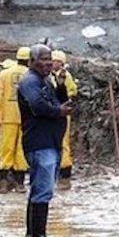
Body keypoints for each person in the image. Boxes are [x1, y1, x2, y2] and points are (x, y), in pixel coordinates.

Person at [17, 44, 72, 237]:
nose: (48, 63)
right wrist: (59, 112)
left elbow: (60, 102)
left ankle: (33, 234)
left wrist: (61, 86)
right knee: (43, 189)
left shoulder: (45, 81)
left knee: (39, 188)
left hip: (50, 141)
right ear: (31, 61)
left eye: (50, 59)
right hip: (40, 142)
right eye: (43, 59)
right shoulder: (30, 81)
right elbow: (38, 106)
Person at [0, 47, 30, 192]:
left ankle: (3, 182)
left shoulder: (4, 74)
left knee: (6, 149)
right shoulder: (31, 74)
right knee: (21, 150)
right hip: (26, 118)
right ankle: (20, 184)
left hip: (8, 117)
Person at [50, 50, 80, 188]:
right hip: (52, 112)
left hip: (62, 112)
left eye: (56, 61)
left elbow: (73, 91)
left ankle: (65, 172)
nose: (53, 63)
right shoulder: (49, 75)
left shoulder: (65, 76)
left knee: (63, 142)